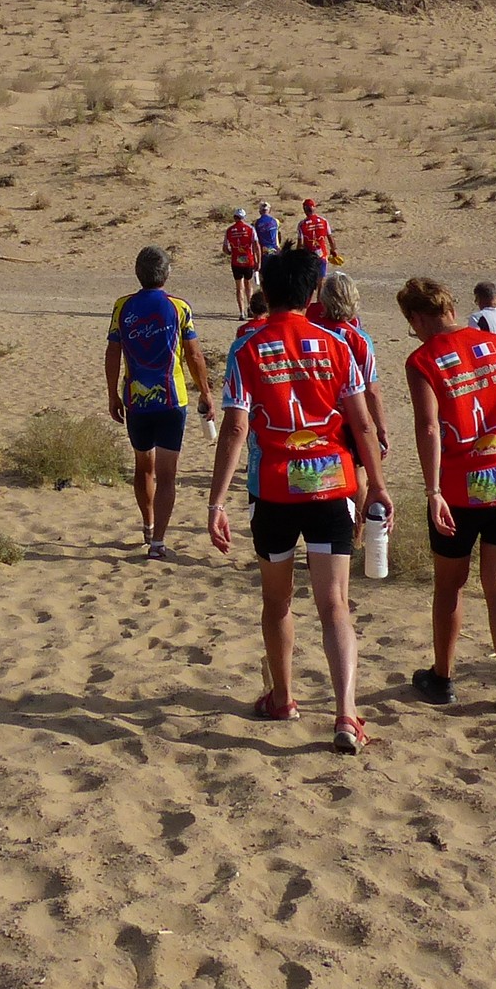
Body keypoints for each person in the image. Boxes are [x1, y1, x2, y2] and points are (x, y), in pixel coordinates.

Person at [207, 246, 390, 754]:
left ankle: (284, 698)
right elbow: (362, 423)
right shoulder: (336, 345)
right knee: (334, 606)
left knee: (278, 601)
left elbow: (236, 427)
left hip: (274, 493)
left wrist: (216, 501)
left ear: (265, 285)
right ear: (312, 292)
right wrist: (375, 483)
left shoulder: (247, 348)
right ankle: (347, 715)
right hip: (332, 487)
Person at [397, 276, 496, 717]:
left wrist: (432, 490)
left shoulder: (423, 359)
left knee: (450, 584)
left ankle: (443, 679)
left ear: (420, 318)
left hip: (460, 488)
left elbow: (428, 428)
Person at [106, 246, 213, 562]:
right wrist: (205, 391)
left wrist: (112, 393)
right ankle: (158, 542)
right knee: (166, 473)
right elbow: (194, 354)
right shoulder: (178, 307)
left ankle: (148, 524)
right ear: (167, 274)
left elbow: (113, 351)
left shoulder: (123, 306)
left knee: (144, 465)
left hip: (137, 399)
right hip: (171, 399)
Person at [313, 271, 387, 505]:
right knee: (358, 472)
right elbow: (372, 390)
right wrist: (381, 430)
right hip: (352, 416)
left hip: (317, 413)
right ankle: (355, 533)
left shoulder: (312, 329)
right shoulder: (359, 338)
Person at [222, 207, 263, 318]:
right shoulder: (250, 229)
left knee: (239, 287)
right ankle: (250, 308)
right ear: (244, 217)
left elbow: (225, 248)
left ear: (235, 217)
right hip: (248, 260)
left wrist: (231, 252)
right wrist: (258, 261)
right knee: (248, 285)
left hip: (236, 261)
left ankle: (242, 312)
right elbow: (256, 246)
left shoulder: (229, 230)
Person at [297, 198, 336, 277]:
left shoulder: (302, 224)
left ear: (304, 209)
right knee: (321, 278)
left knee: (310, 278)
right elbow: (330, 239)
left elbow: (300, 244)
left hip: (308, 256)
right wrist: (333, 250)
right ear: (314, 208)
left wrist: (298, 256)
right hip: (322, 254)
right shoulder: (324, 221)